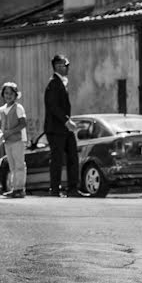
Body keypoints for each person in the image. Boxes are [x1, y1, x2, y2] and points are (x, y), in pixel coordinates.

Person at [44, 54, 85, 197]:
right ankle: (54, 189)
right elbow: (53, 106)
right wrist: (67, 121)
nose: (68, 68)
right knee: (57, 159)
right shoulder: (53, 83)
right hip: (56, 129)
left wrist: (67, 123)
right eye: (65, 65)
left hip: (64, 129)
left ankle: (73, 189)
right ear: (57, 66)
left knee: (73, 157)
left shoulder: (61, 83)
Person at [0, 82, 28, 198]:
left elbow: (23, 124)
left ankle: (20, 188)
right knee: (12, 166)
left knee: (19, 165)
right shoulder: (1, 110)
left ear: (16, 95)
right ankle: (14, 188)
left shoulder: (18, 108)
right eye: (6, 93)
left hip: (17, 140)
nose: (8, 96)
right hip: (7, 141)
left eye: (11, 93)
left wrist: (11, 131)